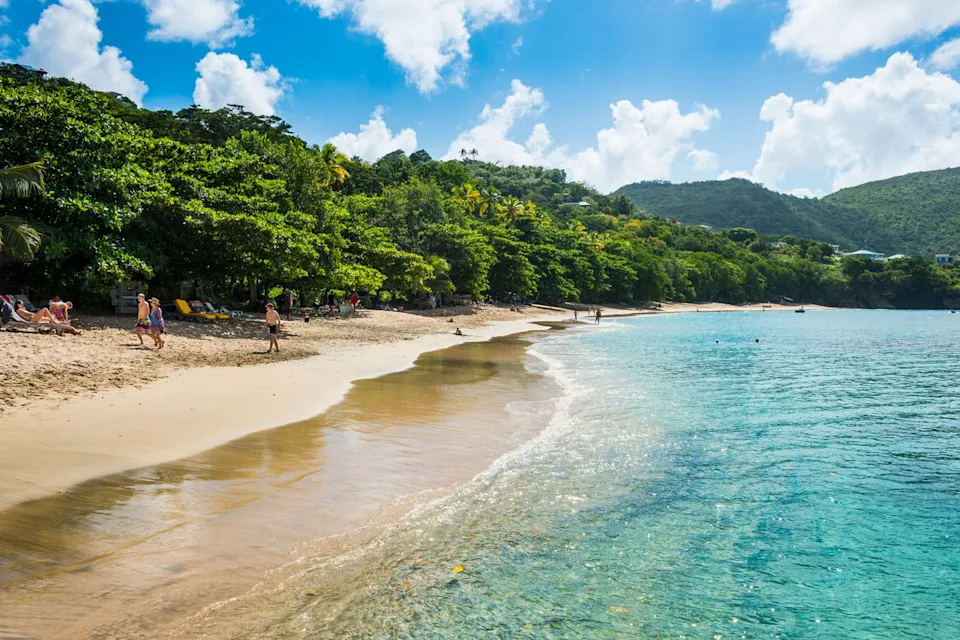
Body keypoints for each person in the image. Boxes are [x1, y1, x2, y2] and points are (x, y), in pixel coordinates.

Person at [14, 301, 83, 334]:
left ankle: (72, 329)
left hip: (34, 318)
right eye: (21, 304)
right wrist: (38, 314)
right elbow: (30, 313)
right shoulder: (19, 310)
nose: (22, 305)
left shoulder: (21, 309)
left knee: (52, 319)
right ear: (17, 304)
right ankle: (58, 322)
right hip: (32, 320)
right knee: (45, 310)